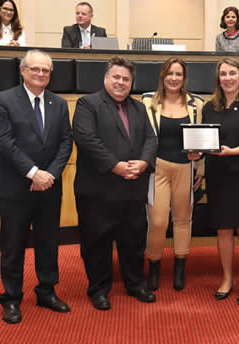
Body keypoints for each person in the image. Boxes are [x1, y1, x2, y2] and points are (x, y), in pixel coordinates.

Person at [0, 49, 73, 324]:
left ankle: (46, 291)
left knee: (48, 242)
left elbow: (65, 143)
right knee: (13, 245)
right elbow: (3, 141)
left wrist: (50, 175)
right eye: (35, 69)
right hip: (15, 185)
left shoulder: (59, 104)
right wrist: (34, 173)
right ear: (23, 71)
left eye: (46, 70)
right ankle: (11, 298)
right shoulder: (4, 100)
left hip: (50, 186)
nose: (40, 74)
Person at [73, 56, 157, 310]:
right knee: (96, 242)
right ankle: (98, 289)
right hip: (98, 189)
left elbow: (151, 140)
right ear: (106, 79)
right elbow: (86, 139)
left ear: (132, 83)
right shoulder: (88, 104)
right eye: (116, 77)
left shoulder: (139, 108)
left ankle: (135, 284)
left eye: (126, 79)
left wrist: (143, 163)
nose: (121, 83)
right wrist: (116, 166)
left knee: (133, 239)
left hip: (133, 188)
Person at [193, 57, 239, 305]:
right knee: (223, 229)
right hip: (219, 175)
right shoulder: (209, 107)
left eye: (232, 73)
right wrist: (197, 152)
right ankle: (227, 278)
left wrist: (235, 150)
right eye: (223, 74)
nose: (227, 78)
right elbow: (204, 141)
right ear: (218, 79)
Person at [141, 57, 204, 292]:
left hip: (185, 168)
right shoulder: (148, 102)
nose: (174, 78)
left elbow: (202, 139)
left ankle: (180, 269)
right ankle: (154, 268)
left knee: (182, 220)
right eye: (170, 73)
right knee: (157, 222)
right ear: (163, 76)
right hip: (157, 168)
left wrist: (201, 166)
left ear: (184, 78)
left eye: (179, 74)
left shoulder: (196, 104)